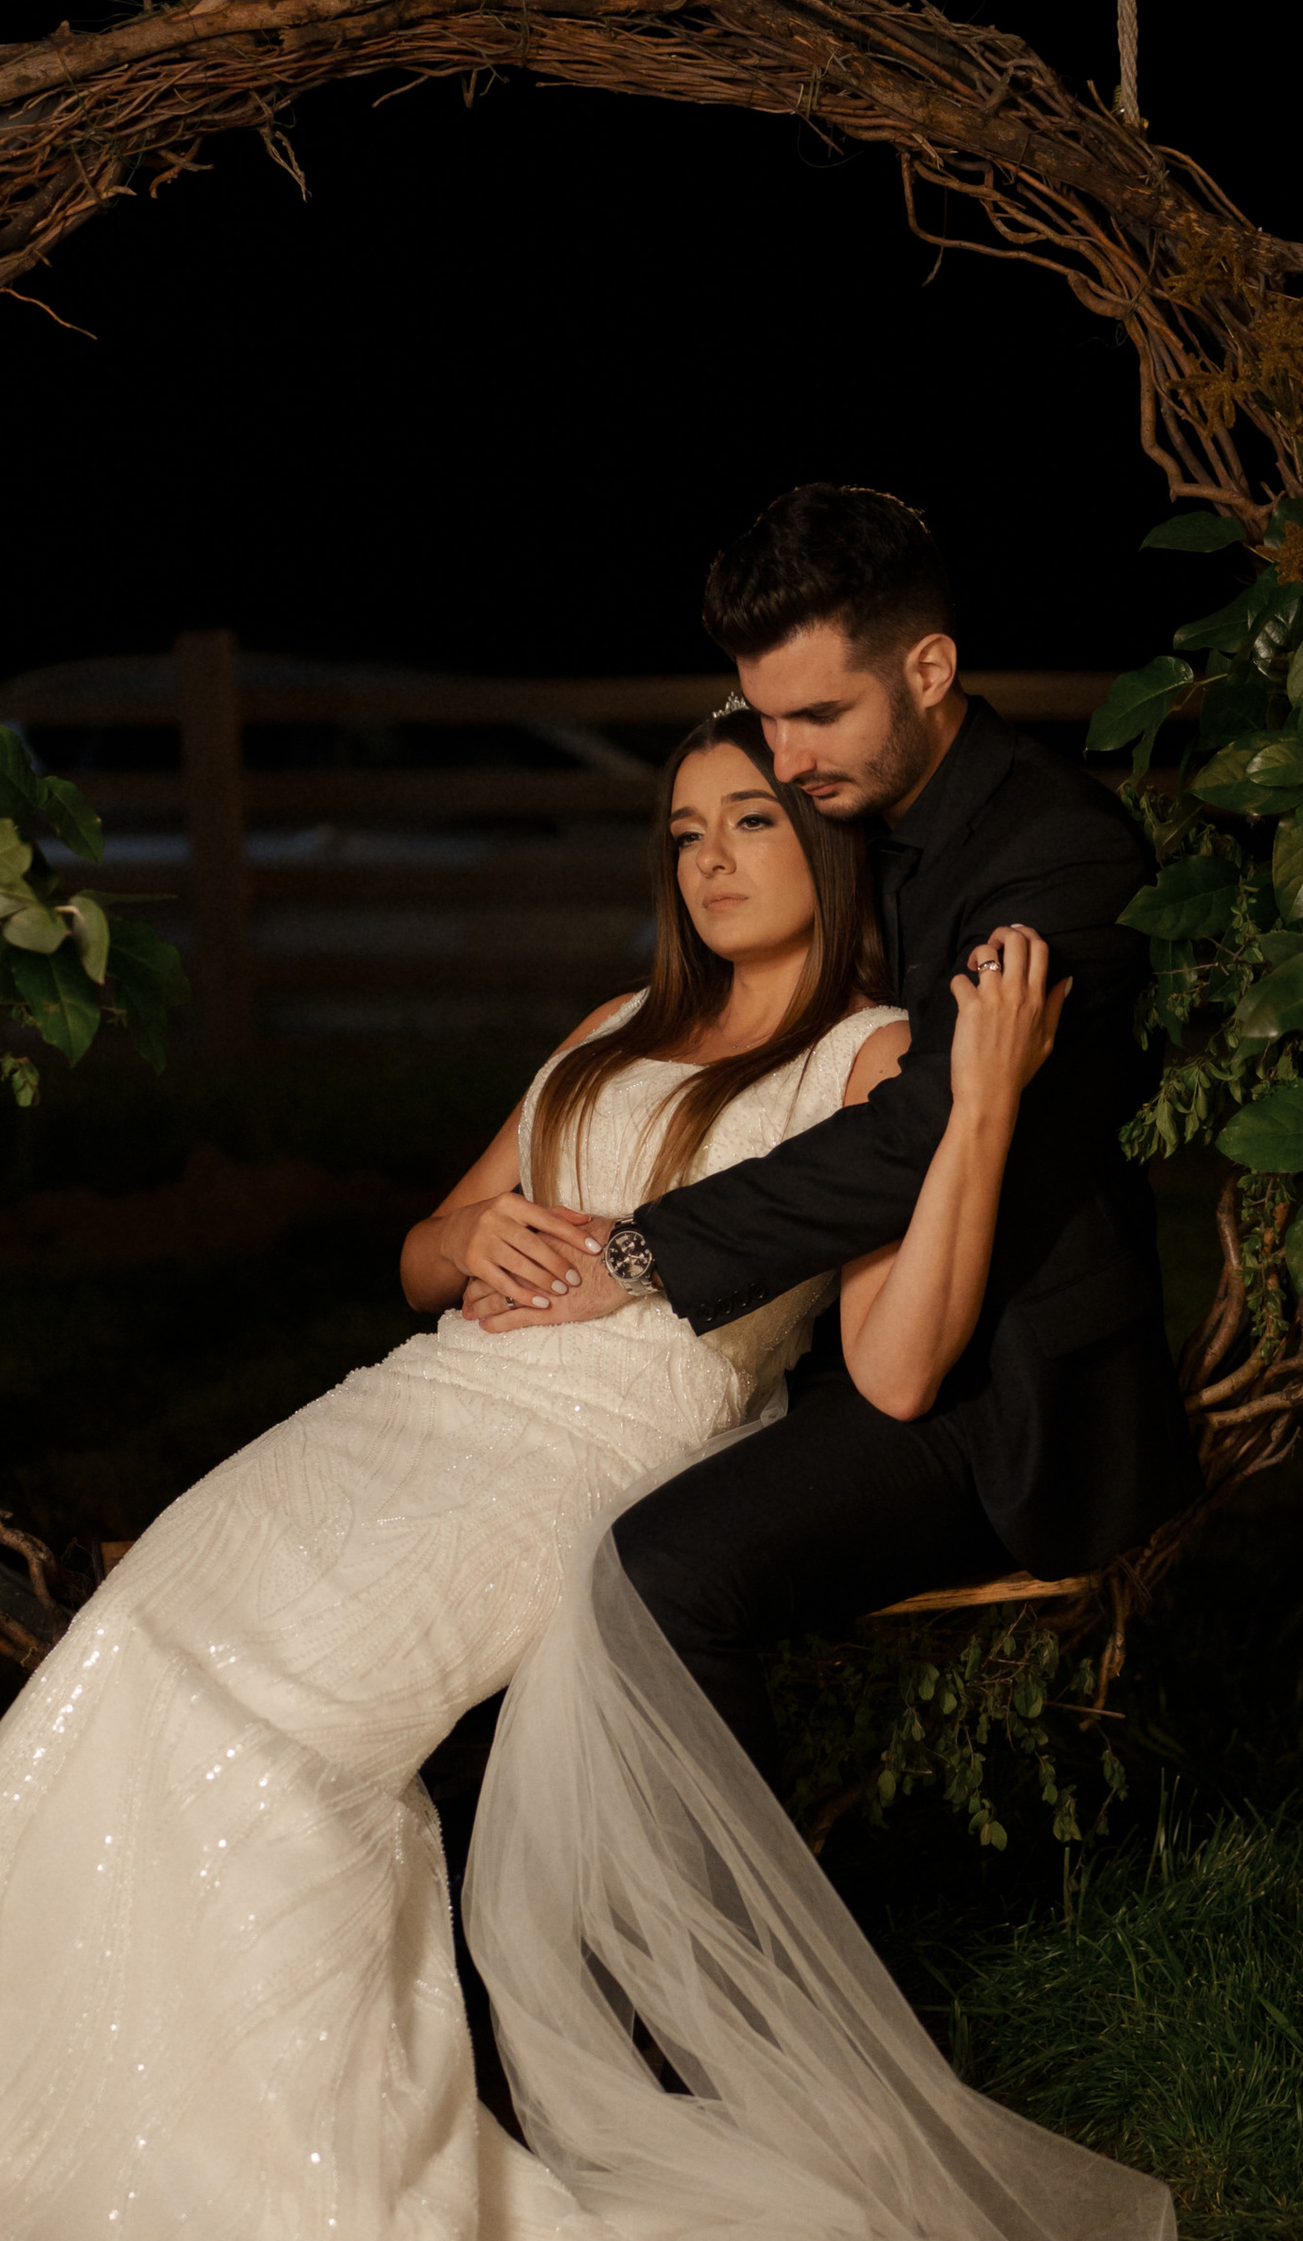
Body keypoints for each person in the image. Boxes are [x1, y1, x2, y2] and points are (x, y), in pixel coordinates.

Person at [0, 694, 1189, 2241]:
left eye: (750, 818)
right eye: (680, 830)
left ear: (829, 850)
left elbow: (902, 1363)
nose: (711, 858)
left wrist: (991, 1103)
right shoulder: (605, 1028)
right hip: (407, 1416)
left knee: (286, 1755)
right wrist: (460, 1235)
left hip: (586, 1454)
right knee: (127, 1661)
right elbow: (421, 1255)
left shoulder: (869, 1061)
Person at [460, 484, 1197, 1772]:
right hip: (816, 1335)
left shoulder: (1059, 857)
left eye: (819, 715)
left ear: (929, 667)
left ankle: (743, 1967)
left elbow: (916, 1131)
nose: (787, 758)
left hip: (991, 1390)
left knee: (659, 1573)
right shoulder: (847, 826)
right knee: (510, 1538)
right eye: (768, 715)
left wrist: (634, 1255)